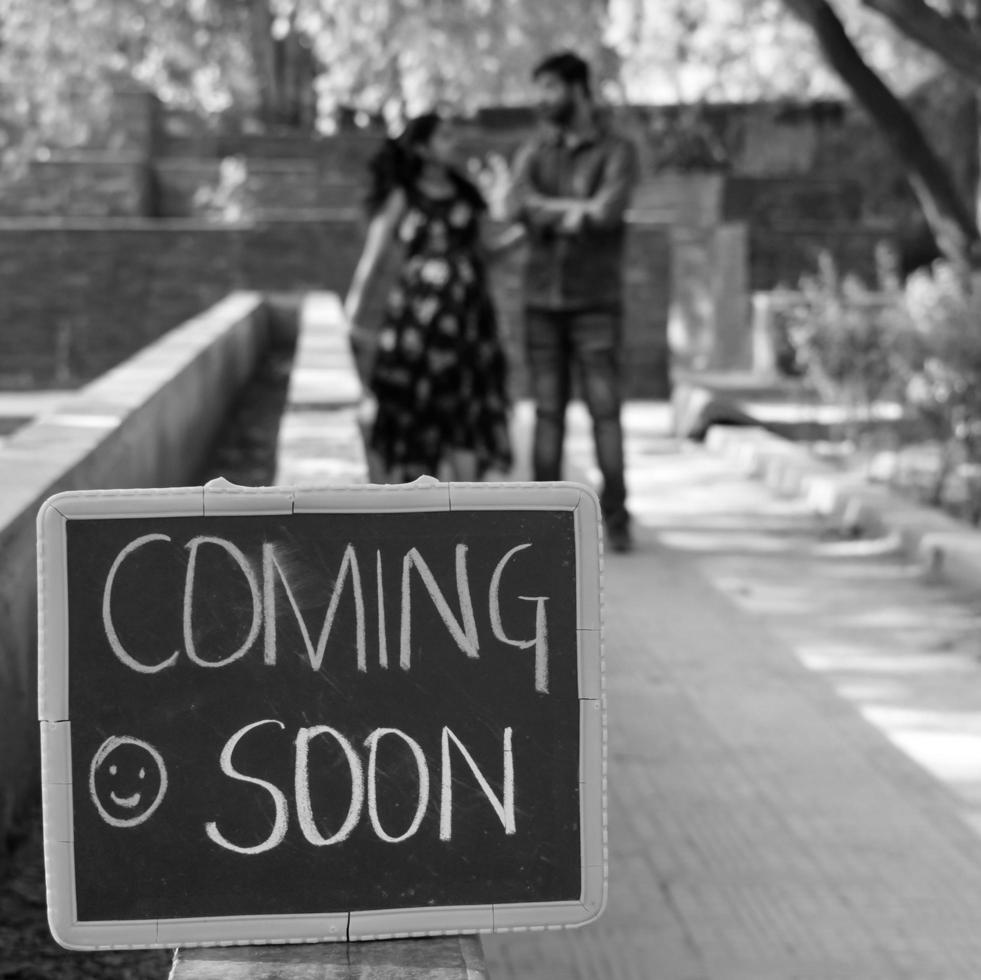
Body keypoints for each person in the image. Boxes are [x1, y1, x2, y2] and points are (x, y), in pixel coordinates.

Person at [506, 51, 639, 552]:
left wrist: (548, 213)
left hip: (596, 301)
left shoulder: (617, 150)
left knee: (605, 411)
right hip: (541, 300)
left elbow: (606, 213)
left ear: (579, 90)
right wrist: (571, 212)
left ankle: (618, 520)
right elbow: (512, 204)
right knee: (546, 413)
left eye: (550, 88)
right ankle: (544, 526)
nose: (543, 100)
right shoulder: (535, 151)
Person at [344, 112, 515, 483]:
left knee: (465, 415)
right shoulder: (404, 195)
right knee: (415, 416)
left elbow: (487, 253)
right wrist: (352, 317)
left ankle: (467, 520)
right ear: (422, 148)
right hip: (417, 329)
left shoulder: (466, 194)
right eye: (444, 137)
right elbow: (372, 259)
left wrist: (525, 234)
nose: (453, 143)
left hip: (469, 326)